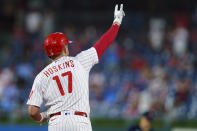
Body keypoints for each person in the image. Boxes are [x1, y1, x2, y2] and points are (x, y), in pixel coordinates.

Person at [27, 4, 125, 131]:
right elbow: (103, 43)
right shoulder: (80, 61)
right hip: (80, 122)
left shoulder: (41, 76)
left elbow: (32, 111)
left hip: (56, 123)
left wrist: (41, 118)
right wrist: (116, 23)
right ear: (64, 48)